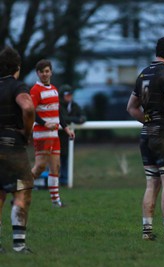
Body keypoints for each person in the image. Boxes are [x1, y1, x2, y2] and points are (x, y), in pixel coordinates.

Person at [126, 36, 164, 241]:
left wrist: (147, 121)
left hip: (146, 136)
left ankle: (147, 231)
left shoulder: (143, 74)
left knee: (152, 183)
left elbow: (131, 107)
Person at [0, 46, 35, 253]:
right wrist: (27, 132)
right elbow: (28, 107)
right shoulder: (17, 86)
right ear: (17, 68)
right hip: (12, 146)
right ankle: (19, 245)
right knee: (21, 190)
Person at [30, 59, 75, 207]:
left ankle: (56, 202)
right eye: (42, 71)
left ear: (51, 72)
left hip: (54, 135)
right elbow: (30, 112)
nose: (44, 74)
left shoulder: (54, 89)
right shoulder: (35, 90)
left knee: (55, 166)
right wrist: (44, 123)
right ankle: (18, 189)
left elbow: (58, 112)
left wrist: (66, 128)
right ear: (38, 73)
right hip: (41, 134)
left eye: (47, 71)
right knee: (40, 167)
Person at [58, 85, 86, 186]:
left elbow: (83, 116)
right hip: (57, 137)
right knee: (56, 160)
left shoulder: (74, 105)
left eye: (71, 95)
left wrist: (80, 119)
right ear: (62, 96)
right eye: (67, 95)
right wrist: (76, 119)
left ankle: (64, 180)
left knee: (66, 159)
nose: (70, 97)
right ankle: (52, 180)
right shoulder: (57, 105)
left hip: (67, 138)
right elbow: (63, 118)